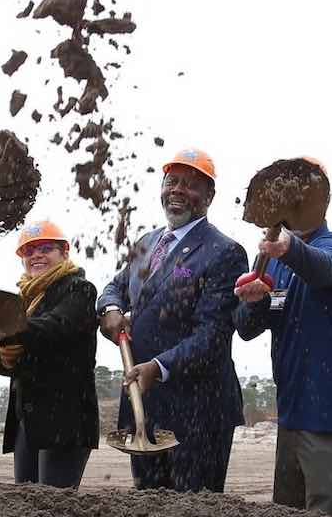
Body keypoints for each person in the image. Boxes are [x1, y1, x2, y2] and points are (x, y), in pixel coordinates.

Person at [96, 148, 247, 493]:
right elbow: (114, 287)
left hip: (198, 412)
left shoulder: (224, 252)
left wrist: (159, 367)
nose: (178, 190)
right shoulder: (148, 243)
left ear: (209, 197)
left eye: (191, 185)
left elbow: (213, 334)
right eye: (172, 181)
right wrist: (111, 310)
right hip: (145, 408)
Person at [233, 160, 332, 517]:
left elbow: (326, 270)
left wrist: (290, 248)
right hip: (293, 412)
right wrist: (253, 301)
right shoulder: (271, 260)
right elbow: (247, 329)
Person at [0, 219, 99, 488]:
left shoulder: (79, 289)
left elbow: (56, 327)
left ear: (64, 252)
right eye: (29, 251)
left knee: (56, 509)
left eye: (45, 248)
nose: (36, 255)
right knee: (26, 506)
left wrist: (8, 330)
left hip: (65, 417)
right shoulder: (23, 301)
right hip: (28, 418)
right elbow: (21, 360)